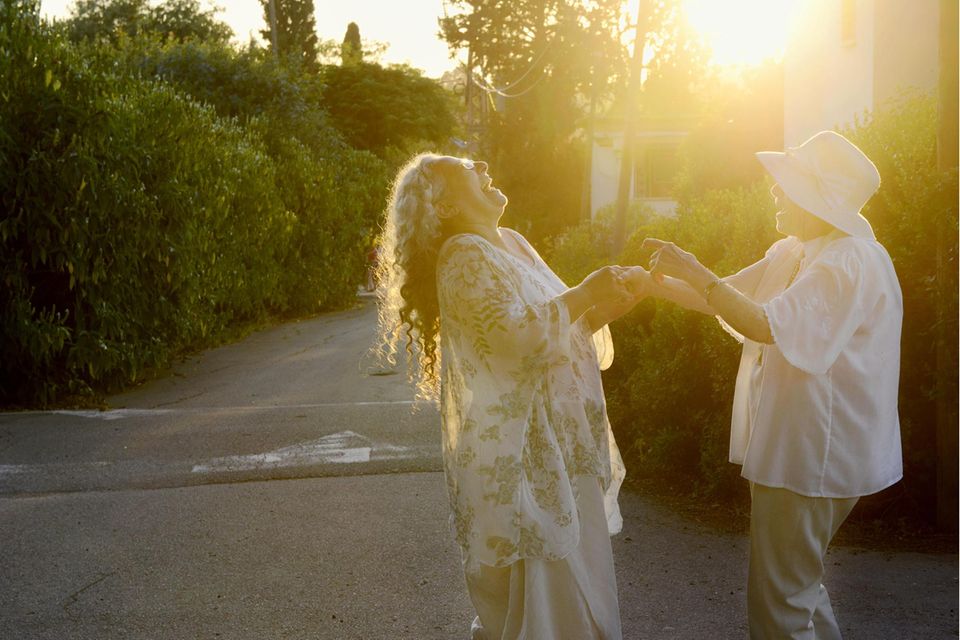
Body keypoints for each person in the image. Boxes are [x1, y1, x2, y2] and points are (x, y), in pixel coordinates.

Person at [374, 153, 648, 639]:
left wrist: (616, 300)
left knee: (579, 590)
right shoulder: (462, 255)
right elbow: (517, 340)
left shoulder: (513, 244)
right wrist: (587, 289)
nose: (482, 164)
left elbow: (565, 327)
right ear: (443, 208)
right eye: (468, 170)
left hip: (565, 445)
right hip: (523, 453)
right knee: (546, 598)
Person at [642, 130, 903, 639]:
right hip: (804, 451)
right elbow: (728, 297)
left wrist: (693, 269)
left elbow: (762, 324)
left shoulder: (849, 259)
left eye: (785, 184)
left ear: (816, 197)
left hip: (814, 457)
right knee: (799, 588)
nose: (774, 191)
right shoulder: (797, 250)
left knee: (780, 606)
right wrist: (653, 285)